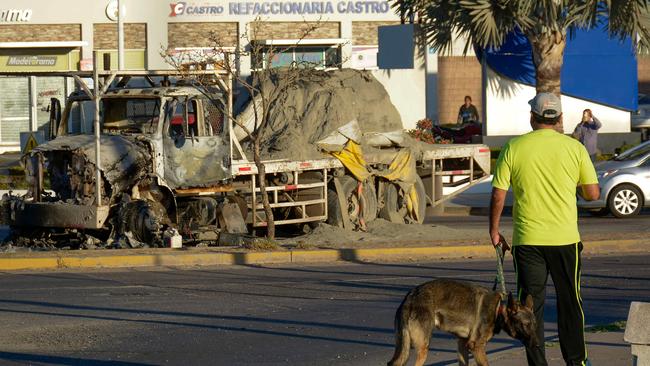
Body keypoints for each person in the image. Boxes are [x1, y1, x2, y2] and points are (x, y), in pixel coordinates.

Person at [489, 93, 600, 366]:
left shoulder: (513, 147)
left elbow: (498, 196)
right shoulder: (575, 149)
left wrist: (494, 230)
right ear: (560, 119)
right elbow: (592, 193)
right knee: (570, 303)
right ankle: (576, 362)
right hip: (565, 241)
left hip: (528, 242)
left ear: (532, 118)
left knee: (530, 308)